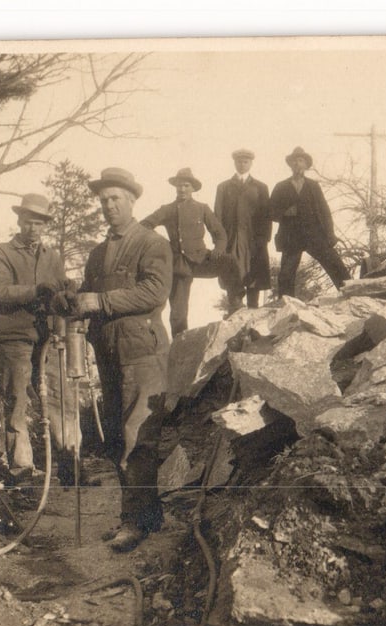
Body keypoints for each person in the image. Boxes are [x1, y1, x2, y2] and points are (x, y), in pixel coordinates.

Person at [66, 168, 172, 552]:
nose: (109, 206)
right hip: (108, 354)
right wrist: (73, 299)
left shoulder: (151, 243)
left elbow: (155, 292)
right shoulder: (98, 253)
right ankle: (146, 515)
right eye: (104, 200)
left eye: (116, 199)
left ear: (131, 200)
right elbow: (87, 294)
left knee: (137, 436)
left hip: (142, 351)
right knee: (115, 436)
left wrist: (103, 301)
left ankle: (135, 521)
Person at [0, 193, 70, 481]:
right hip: (12, 337)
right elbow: (1, 292)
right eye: (29, 222)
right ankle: (23, 472)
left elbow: (58, 296)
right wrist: (36, 290)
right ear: (19, 221)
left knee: (56, 399)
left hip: (45, 339)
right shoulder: (1, 253)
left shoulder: (52, 257)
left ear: (45, 225)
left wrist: (65, 301)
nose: (34, 228)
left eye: (40, 223)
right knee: (17, 402)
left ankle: (70, 467)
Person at [140, 167, 227, 336]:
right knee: (178, 312)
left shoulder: (202, 208)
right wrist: (162, 244)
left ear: (193, 188)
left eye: (186, 185)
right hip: (179, 265)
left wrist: (219, 249)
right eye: (179, 185)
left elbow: (220, 233)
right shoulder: (167, 209)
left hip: (202, 260)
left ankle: (236, 305)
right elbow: (144, 226)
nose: (182, 189)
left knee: (230, 263)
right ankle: (180, 344)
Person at [269, 146, 351, 298]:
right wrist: (284, 212)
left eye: (301, 161)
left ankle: (351, 295)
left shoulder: (313, 186)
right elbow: (270, 212)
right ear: (290, 165)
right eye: (294, 161)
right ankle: (285, 304)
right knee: (286, 273)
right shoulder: (281, 187)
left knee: (335, 265)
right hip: (290, 236)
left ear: (306, 165)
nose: (297, 164)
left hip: (314, 234)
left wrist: (330, 235)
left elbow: (325, 212)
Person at [214, 149, 272, 311]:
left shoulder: (260, 187)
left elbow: (266, 216)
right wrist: (220, 241)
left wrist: (263, 239)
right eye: (239, 161)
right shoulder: (224, 187)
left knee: (254, 279)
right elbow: (217, 216)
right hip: (231, 241)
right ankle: (235, 316)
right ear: (234, 163)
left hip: (254, 242)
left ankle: (253, 318)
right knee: (232, 279)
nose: (242, 164)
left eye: (245, 161)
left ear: (251, 163)